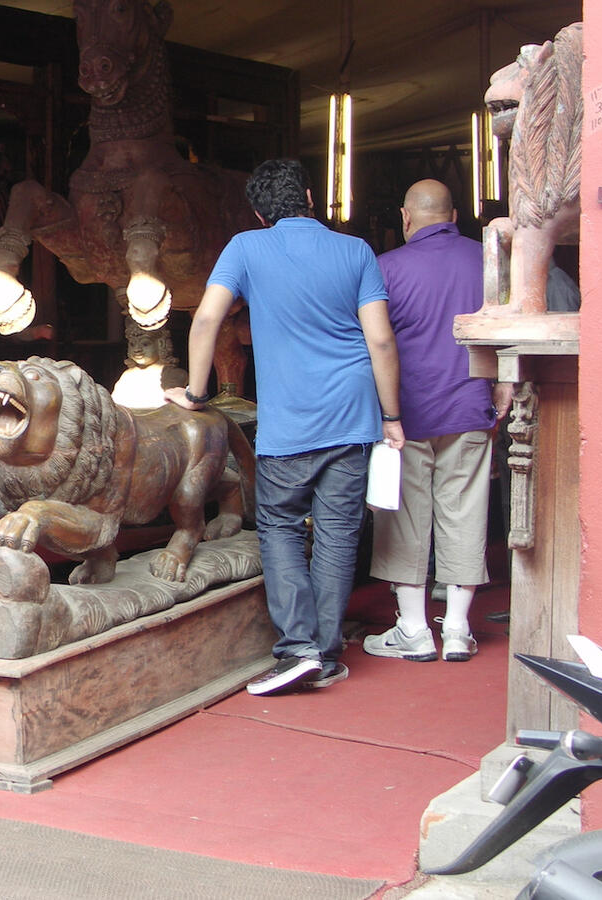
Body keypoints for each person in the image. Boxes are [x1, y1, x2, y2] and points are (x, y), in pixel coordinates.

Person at [166, 158, 404, 695]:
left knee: (280, 527)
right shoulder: (356, 251)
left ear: (258, 212)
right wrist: (391, 416)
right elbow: (381, 340)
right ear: (311, 198)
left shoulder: (245, 247)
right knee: (339, 533)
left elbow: (206, 319)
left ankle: (298, 648)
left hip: (290, 419)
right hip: (352, 414)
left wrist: (197, 394)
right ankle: (325, 652)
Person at [363, 179, 509, 663]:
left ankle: (413, 629)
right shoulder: (486, 260)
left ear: (406, 218)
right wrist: (506, 381)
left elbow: (374, 342)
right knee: (465, 511)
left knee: (403, 515)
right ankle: (459, 630)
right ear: (454, 215)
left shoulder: (386, 267)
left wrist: (384, 411)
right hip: (469, 405)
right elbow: (505, 328)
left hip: (405, 415)